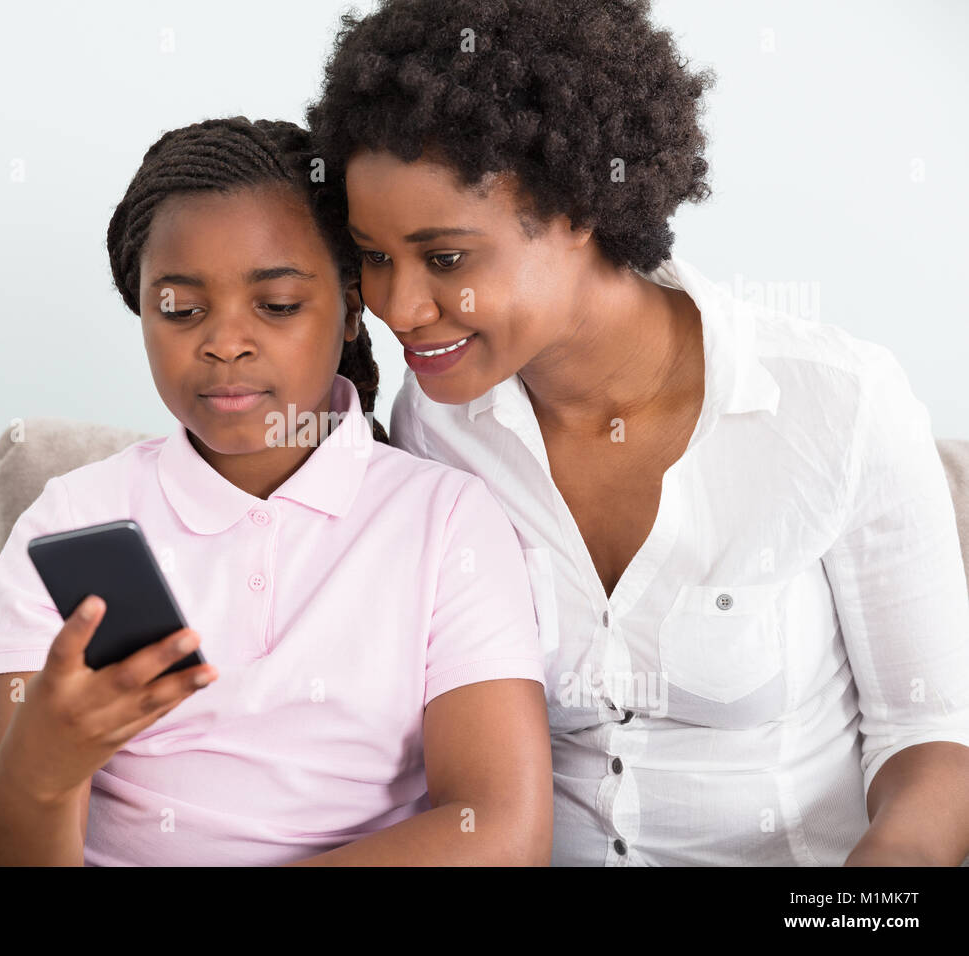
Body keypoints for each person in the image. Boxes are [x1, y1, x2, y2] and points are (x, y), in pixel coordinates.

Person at [305, 0, 969, 865]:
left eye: (446, 259)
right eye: (375, 255)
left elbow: (931, 741)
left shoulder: (838, 406)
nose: (397, 307)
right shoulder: (437, 423)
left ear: (580, 210)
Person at [0, 116, 553, 866]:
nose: (225, 341)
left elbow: (502, 832)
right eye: (180, 308)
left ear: (348, 309)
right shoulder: (72, 520)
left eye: (276, 305)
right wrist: (42, 773)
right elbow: (0, 857)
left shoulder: (445, 520)